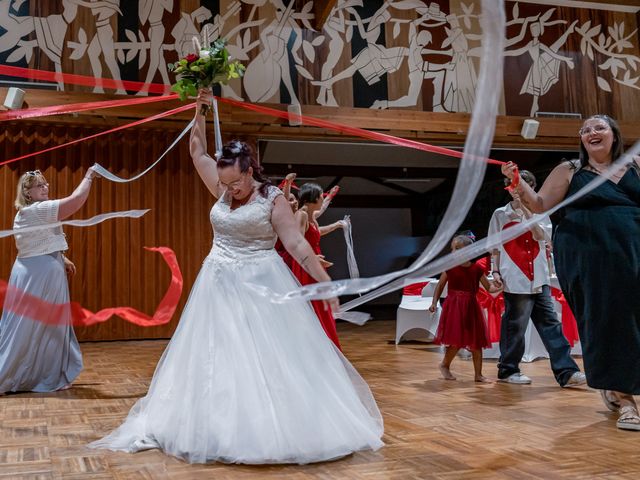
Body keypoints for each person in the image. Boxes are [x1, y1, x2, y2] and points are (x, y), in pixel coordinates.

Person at [89, 90, 383, 463]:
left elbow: (296, 244)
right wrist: (198, 108)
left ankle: (272, 425)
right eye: (224, 185)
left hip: (261, 281)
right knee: (216, 352)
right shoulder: (221, 184)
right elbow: (196, 151)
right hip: (217, 280)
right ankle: (212, 422)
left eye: (235, 184)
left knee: (266, 355)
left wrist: (322, 284)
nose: (228, 190)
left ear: (250, 171)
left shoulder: (272, 198)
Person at [501, 114, 639, 430]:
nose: (592, 132)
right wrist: (516, 180)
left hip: (633, 252)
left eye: (599, 127)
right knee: (606, 320)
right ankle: (626, 400)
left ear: (614, 135)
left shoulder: (636, 167)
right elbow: (538, 204)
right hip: (588, 256)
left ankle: (613, 383)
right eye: (586, 129)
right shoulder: (570, 170)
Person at [0, 166, 100, 394]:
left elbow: (39, 238)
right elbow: (75, 201)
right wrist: (89, 176)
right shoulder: (36, 210)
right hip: (38, 277)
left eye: (46, 184)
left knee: (48, 328)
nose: (46, 187)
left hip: (42, 272)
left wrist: (61, 257)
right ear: (28, 193)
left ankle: (45, 373)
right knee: (26, 327)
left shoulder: (32, 211)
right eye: (40, 185)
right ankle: (9, 374)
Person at [489, 170, 585, 387]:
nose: (519, 191)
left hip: (539, 277)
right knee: (516, 325)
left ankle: (566, 372)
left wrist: (525, 208)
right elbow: (493, 247)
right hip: (514, 277)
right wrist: (494, 272)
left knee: (550, 323)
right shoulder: (500, 214)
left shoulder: (542, 214)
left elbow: (540, 236)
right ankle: (507, 370)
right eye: (515, 187)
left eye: (524, 187)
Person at [429, 234, 501, 383]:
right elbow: (440, 286)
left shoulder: (476, 269)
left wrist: (500, 286)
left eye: (456, 248)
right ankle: (444, 365)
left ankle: (478, 375)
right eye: (452, 249)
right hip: (454, 306)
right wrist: (434, 303)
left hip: (471, 307)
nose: (452, 251)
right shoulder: (450, 268)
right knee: (456, 340)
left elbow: (490, 289)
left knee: (476, 341)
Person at [292, 183, 346, 350]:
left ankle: (326, 346)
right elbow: (297, 242)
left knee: (322, 306)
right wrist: (313, 258)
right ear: (312, 199)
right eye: (321, 196)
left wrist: (337, 225)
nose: (323, 198)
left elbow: (316, 232)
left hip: (316, 264)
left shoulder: (311, 216)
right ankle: (315, 347)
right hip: (306, 265)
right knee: (315, 306)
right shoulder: (300, 215)